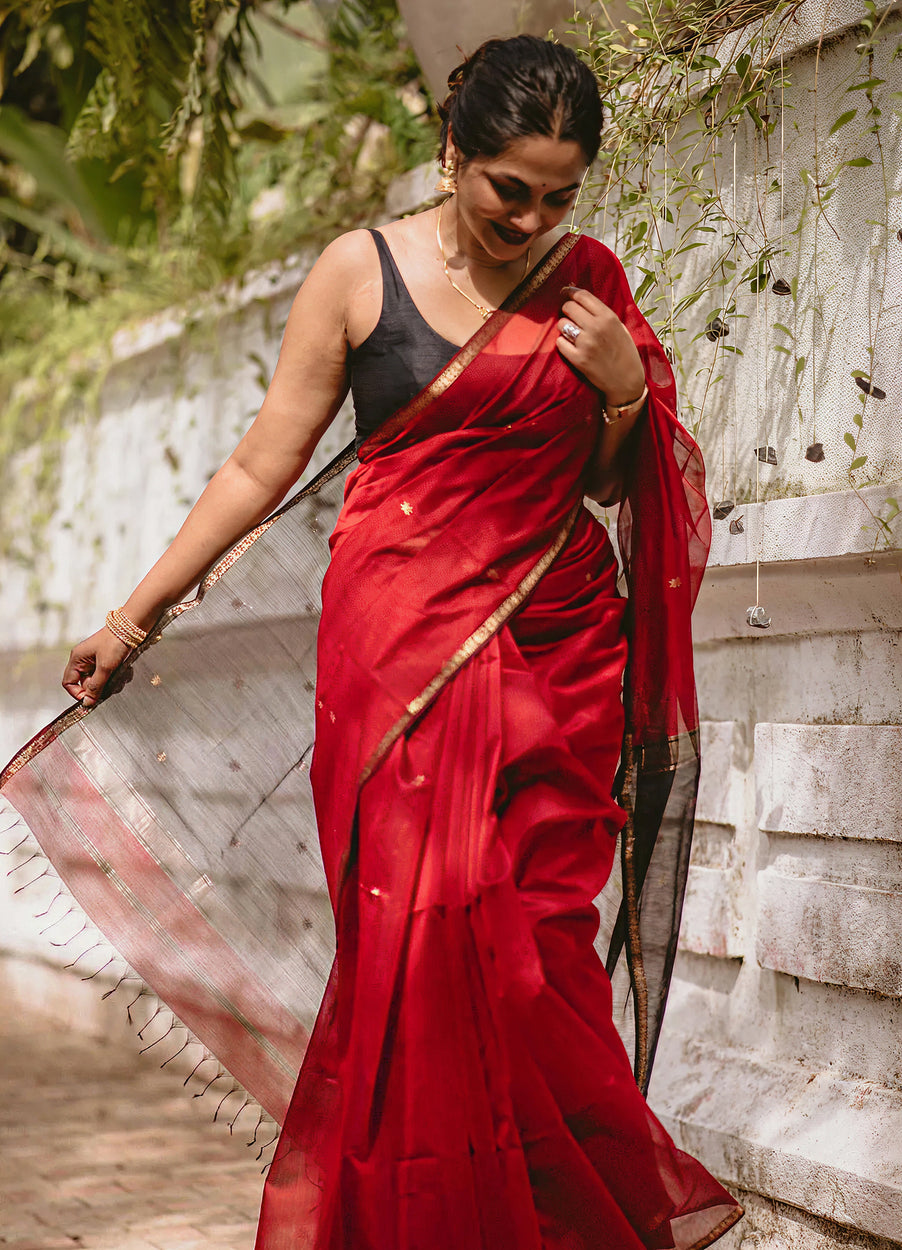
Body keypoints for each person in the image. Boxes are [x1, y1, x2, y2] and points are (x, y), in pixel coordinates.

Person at [3, 34, 742, 1250]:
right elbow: (259, 463)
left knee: (534, 955)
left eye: (561, 194)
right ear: (453, 152)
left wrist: (620, 386)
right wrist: (132, 616)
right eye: (511, 188)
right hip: (397, 661)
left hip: (558, 653)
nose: (533, 216)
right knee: (423, 951)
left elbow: (618, 480)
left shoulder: (587, 282)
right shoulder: (360, 272)